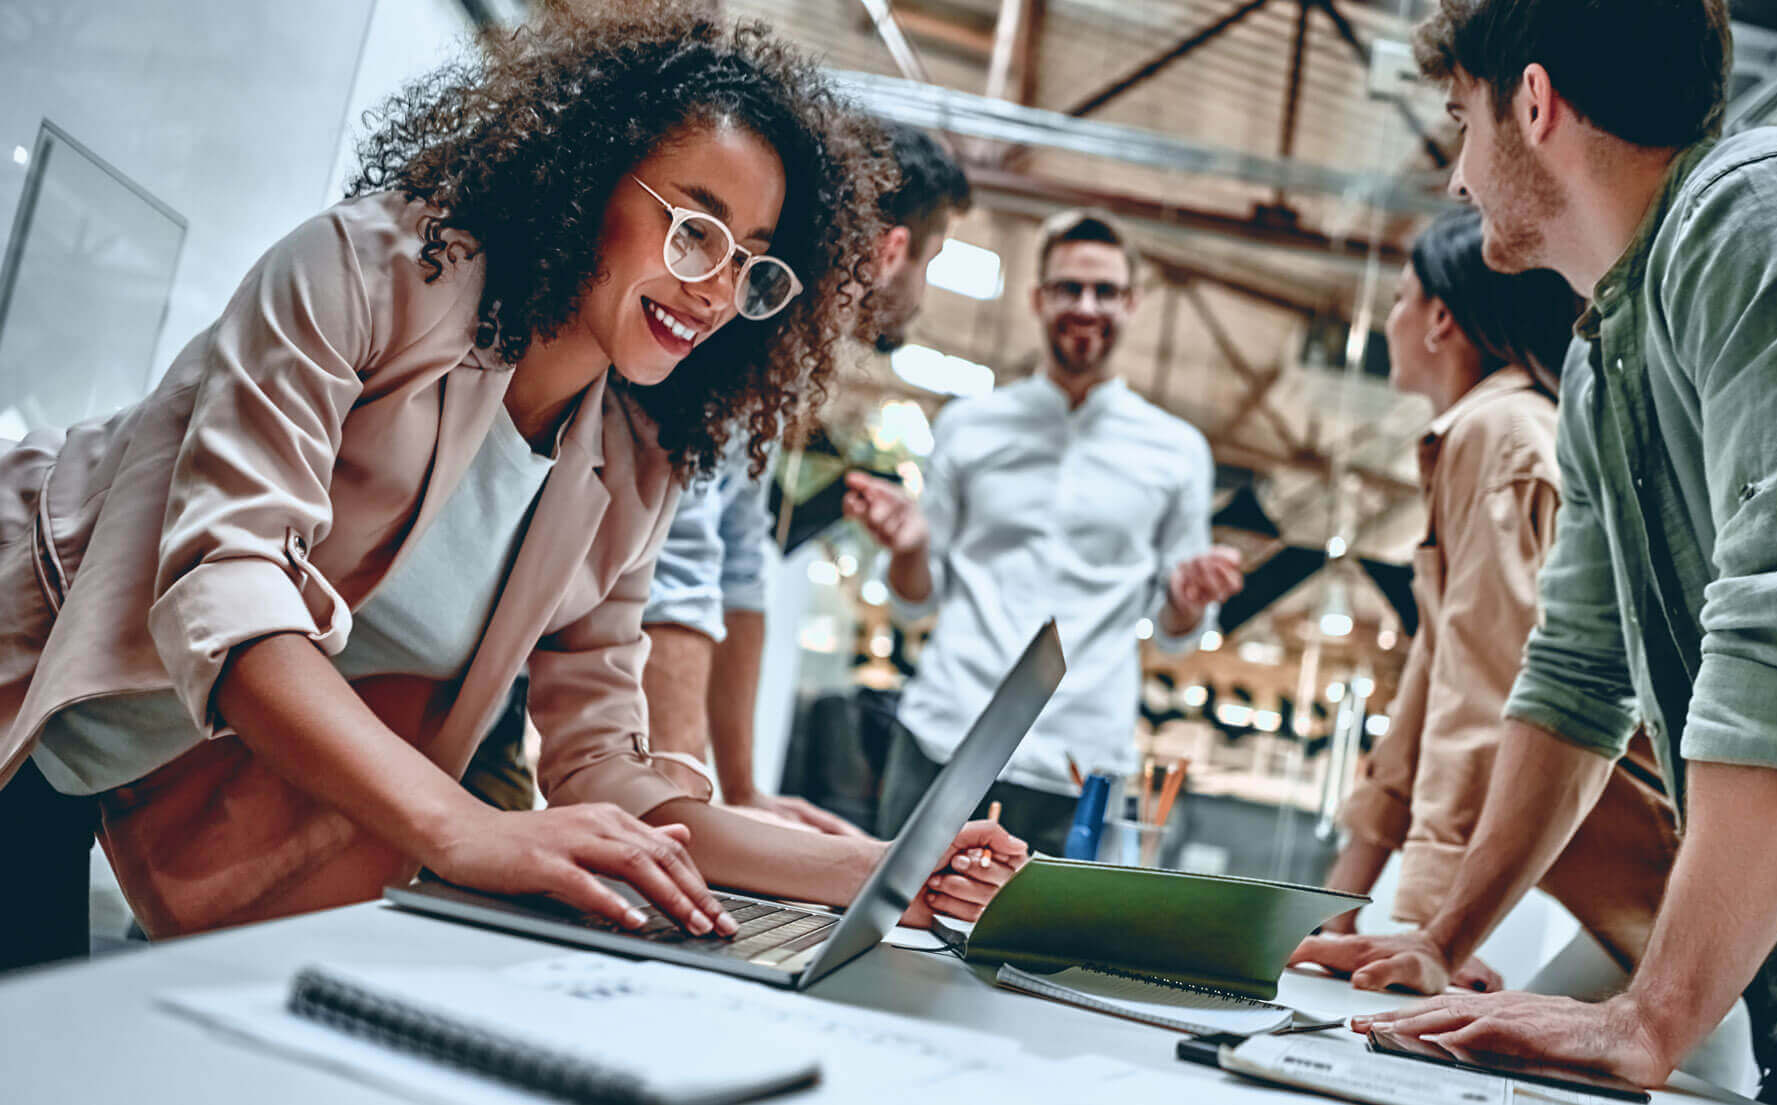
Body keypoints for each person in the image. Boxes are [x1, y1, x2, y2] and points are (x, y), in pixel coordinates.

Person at [0, 3, 1021, 973]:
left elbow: (604, 768)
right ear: (587, 180)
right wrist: (470, 829)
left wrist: (885, 871)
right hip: (24, 677)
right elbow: (230, 594)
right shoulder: (362, 273)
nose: (714, 290)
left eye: (751, 263)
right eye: (695, 230)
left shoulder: (632, 464)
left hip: (150, 769)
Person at [1301, 2, 1777, 1098]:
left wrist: (1653, 1013)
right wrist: (1444, 934)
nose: (1456, 178)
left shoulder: (1774, 210)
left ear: (1531, 104)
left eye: (1461, 122)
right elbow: (1578, 672)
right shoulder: (1603, 361)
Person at [1308, 206, 1677, 995]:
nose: (1391, 318)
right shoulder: (1484, 434)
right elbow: (1427, 692)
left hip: (1651, 875)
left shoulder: (1500, 435)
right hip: (1621, 884)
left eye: (1401, 297)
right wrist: (1336, 906)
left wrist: (1430, 932)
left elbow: (1486, 688)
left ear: (1442, 317)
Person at [844, 209, 1244, 856]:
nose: (1086, 306)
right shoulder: (969, 426)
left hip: (1081, 761)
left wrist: (1188, 599)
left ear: (1133, 302)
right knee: (891, 935)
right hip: (947, 736)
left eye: (1106, 290)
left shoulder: (1179, 452)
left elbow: (1177, 635)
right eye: (1068, 288)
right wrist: (911, 548)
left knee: (1045, 954)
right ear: (1037, 298)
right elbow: (916, 597)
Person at [631, 122, 972, 834]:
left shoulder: (784, 359)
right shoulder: (742, 326)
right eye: (931, 261)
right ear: (893, 250)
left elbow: (739, 560)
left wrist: (743, 789)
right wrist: (691, 813)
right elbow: (684, 563)